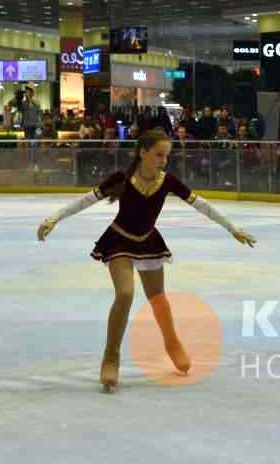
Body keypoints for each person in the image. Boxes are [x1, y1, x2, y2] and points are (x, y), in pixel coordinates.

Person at [36, 128, 256, 392]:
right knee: (126, 293)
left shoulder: (168, 181)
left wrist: (232, 228)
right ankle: (111, 356)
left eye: (167, 156)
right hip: (119, 241)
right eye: (159, 154)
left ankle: (172, 342)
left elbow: (203, 206)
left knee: (158, 300)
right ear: (143, 152)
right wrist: (53, 219)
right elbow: (86, 200)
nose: (164, 160)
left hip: (149, 241)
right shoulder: (122, 179)